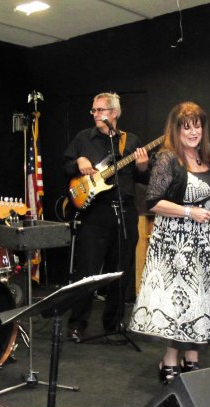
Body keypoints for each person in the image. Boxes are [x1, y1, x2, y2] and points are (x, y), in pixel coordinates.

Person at [129, 101, 210, 384]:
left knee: (201, 302)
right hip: (175, 244)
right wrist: (189, 211)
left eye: (197, 127)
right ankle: (169, 361)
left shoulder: (208, 153)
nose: (193, 133)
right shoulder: (167, 159)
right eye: (186, 128)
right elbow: (153, 202)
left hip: (206, 244)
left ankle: (192, 358)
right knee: (179, 306)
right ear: (176, 130)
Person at [63, 92, 149, 340]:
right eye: (93, 110)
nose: (95, 114)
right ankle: (77, 324)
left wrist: (143, 165)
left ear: (114, 113)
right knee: (87, 270)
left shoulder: (131, 141)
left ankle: (114, 322)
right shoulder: (83, 138)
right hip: (95, 212)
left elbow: (144, 177)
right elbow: (66, 167)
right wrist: (78, 161)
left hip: (125, 210)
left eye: (99, 110)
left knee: (121, 270)